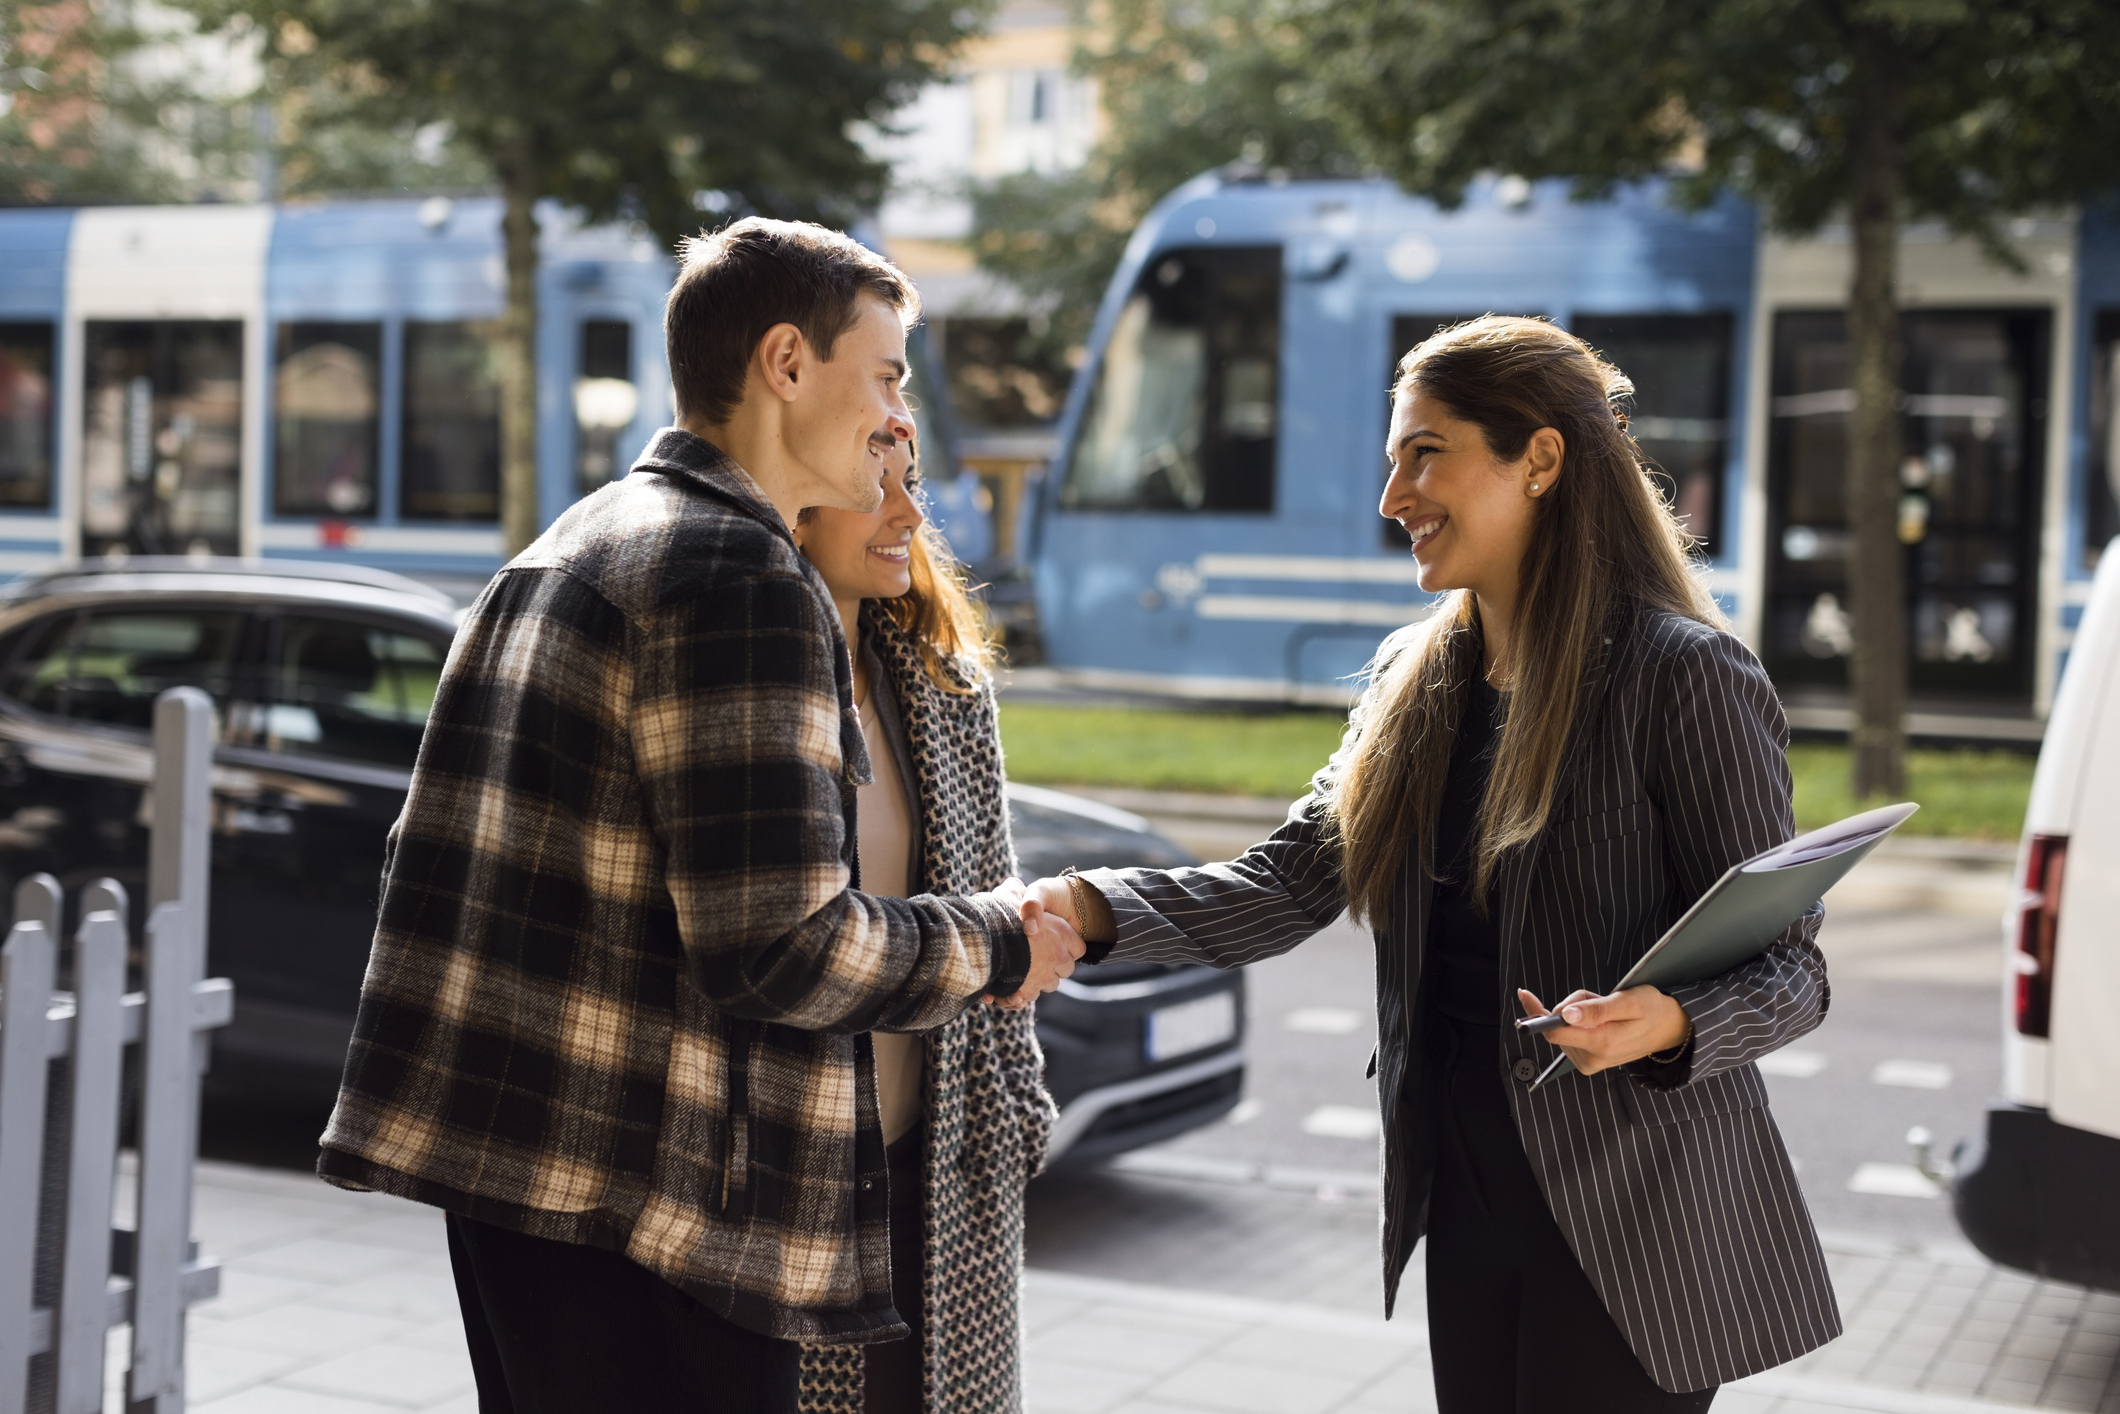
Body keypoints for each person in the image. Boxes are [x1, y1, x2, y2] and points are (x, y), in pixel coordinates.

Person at [317, 217, 1083, 1412]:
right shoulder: (739, 575)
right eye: (882, 376)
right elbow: (782, 948)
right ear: (785, 363)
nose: (894, 418)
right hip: (658, 1229)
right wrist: (991, 938)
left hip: (524, 1194)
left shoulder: (576, 542)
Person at [1025, 316, 1840, 1412]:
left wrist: (1668, 1021)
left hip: (1629, 1220)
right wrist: (1084, 904)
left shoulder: (1681, 675)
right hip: (1463, 1194)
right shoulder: (1411, 679)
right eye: (1390, 461)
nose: (1392, 497)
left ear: (1538, 460)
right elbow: (1284, 884)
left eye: (1424, 453)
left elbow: (1790, 968)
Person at [789, 437, 1053, 1414]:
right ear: (795, 504)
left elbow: (999, 903)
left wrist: (1018, 1113)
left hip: (939, 1168)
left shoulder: (943, 687)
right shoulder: (753, 685)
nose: (908, 514)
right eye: (878, 488)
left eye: (915, 487)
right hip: (799, 1187)